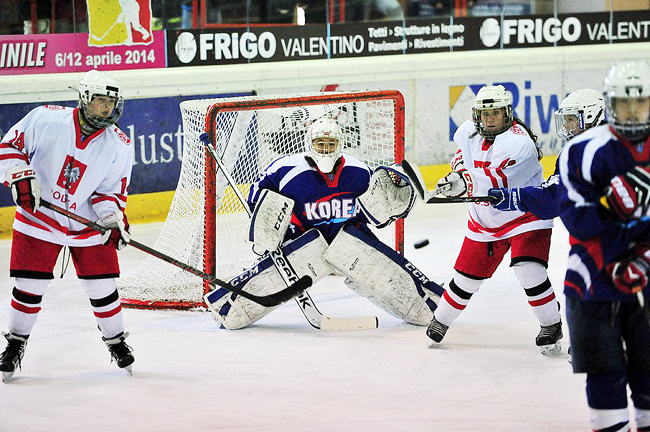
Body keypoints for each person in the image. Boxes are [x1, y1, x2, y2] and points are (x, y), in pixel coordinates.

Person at [204, 117, 444, 330]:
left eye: (331, 144)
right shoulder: (285, 169)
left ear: (340, 145)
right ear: (310, 143)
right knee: (233, 317)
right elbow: (258, 198)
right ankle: (227, 305)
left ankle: (429, 301)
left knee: (423, 311)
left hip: (352, 241)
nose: (326, 149)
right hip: (302, 244)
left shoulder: (359, 171)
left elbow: (377, 205)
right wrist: (269, 230)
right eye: (321, 143)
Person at [0, 70, 134, 382]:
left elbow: (110, 191)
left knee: (103, 288)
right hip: (39, 217)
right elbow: (8, 148)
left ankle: (116, 342)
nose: (106, 109)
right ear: (85, 99)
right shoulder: (46, 119)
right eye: (100, 102)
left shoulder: (119, 144)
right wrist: (20, 175)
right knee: (29, 286)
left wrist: (111, 220)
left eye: (110, 103)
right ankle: (15, 345)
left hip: (85, 222)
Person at [425, 84, 563, 354]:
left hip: (526, 212)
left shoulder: (519, 143)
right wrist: (458, 171)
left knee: (528, 270)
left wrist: (461, 181)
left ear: (507, 113)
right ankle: (440, 320)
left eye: (496, 113)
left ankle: (551, 323)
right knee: (466, 279)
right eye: (485, 113)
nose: (489, 119)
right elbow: (460, 157)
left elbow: (495, 181)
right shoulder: (468, 131)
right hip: (485, 218)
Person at [558, 61, 650, 432]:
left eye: (640, 102)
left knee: (648, 379)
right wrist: (610, 206)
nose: (632, 111)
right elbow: (576, 221)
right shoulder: (582, 150)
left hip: (647, 283)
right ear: (609, 104)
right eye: (624, 103)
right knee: (604, 376)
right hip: (592, 283)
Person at [487, 88, 606, 219]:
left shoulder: (583, 154)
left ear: (590, 117)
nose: (565, 126)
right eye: (565, 119)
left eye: (571, 119)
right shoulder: (604, 145)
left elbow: (555, 196)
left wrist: (516, 197)